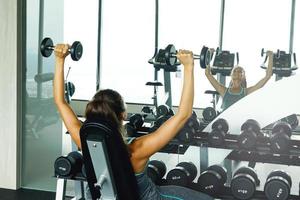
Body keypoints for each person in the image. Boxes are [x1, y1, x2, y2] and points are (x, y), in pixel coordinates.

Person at [53, 44, 214, 200]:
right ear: (123, 115)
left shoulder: (84, 142)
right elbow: (184, 114)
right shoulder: (137, 149)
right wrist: (188, 67)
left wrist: (59, 60)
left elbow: (60, 101)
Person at [205, 50, 274, 111]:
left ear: (243, 76)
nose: (237, 72)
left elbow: (267, 76)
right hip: (224, 124)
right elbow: (208, 74)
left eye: (240, 71)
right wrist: (209, 55)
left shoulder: (246, 92)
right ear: (231, 75)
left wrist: (271, 57)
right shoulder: (224, 91)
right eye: (235, 71)